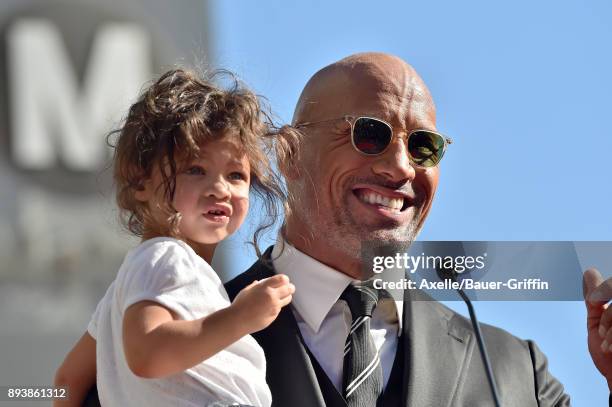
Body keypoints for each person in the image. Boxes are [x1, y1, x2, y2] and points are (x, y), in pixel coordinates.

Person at [225, 52, 612, 406]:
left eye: (423, 146)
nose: (401, 168)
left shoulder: (514, 373)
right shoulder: (191, 326)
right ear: (290, 154)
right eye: (370, 134)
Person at [53, 68, 295, 407]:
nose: (220, 189)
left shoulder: (124, 291)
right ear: (140, 183)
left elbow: (66, 382)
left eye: (236, 174)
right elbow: (147, 354)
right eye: (196, 170)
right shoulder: (166, 257)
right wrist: (241, 317)